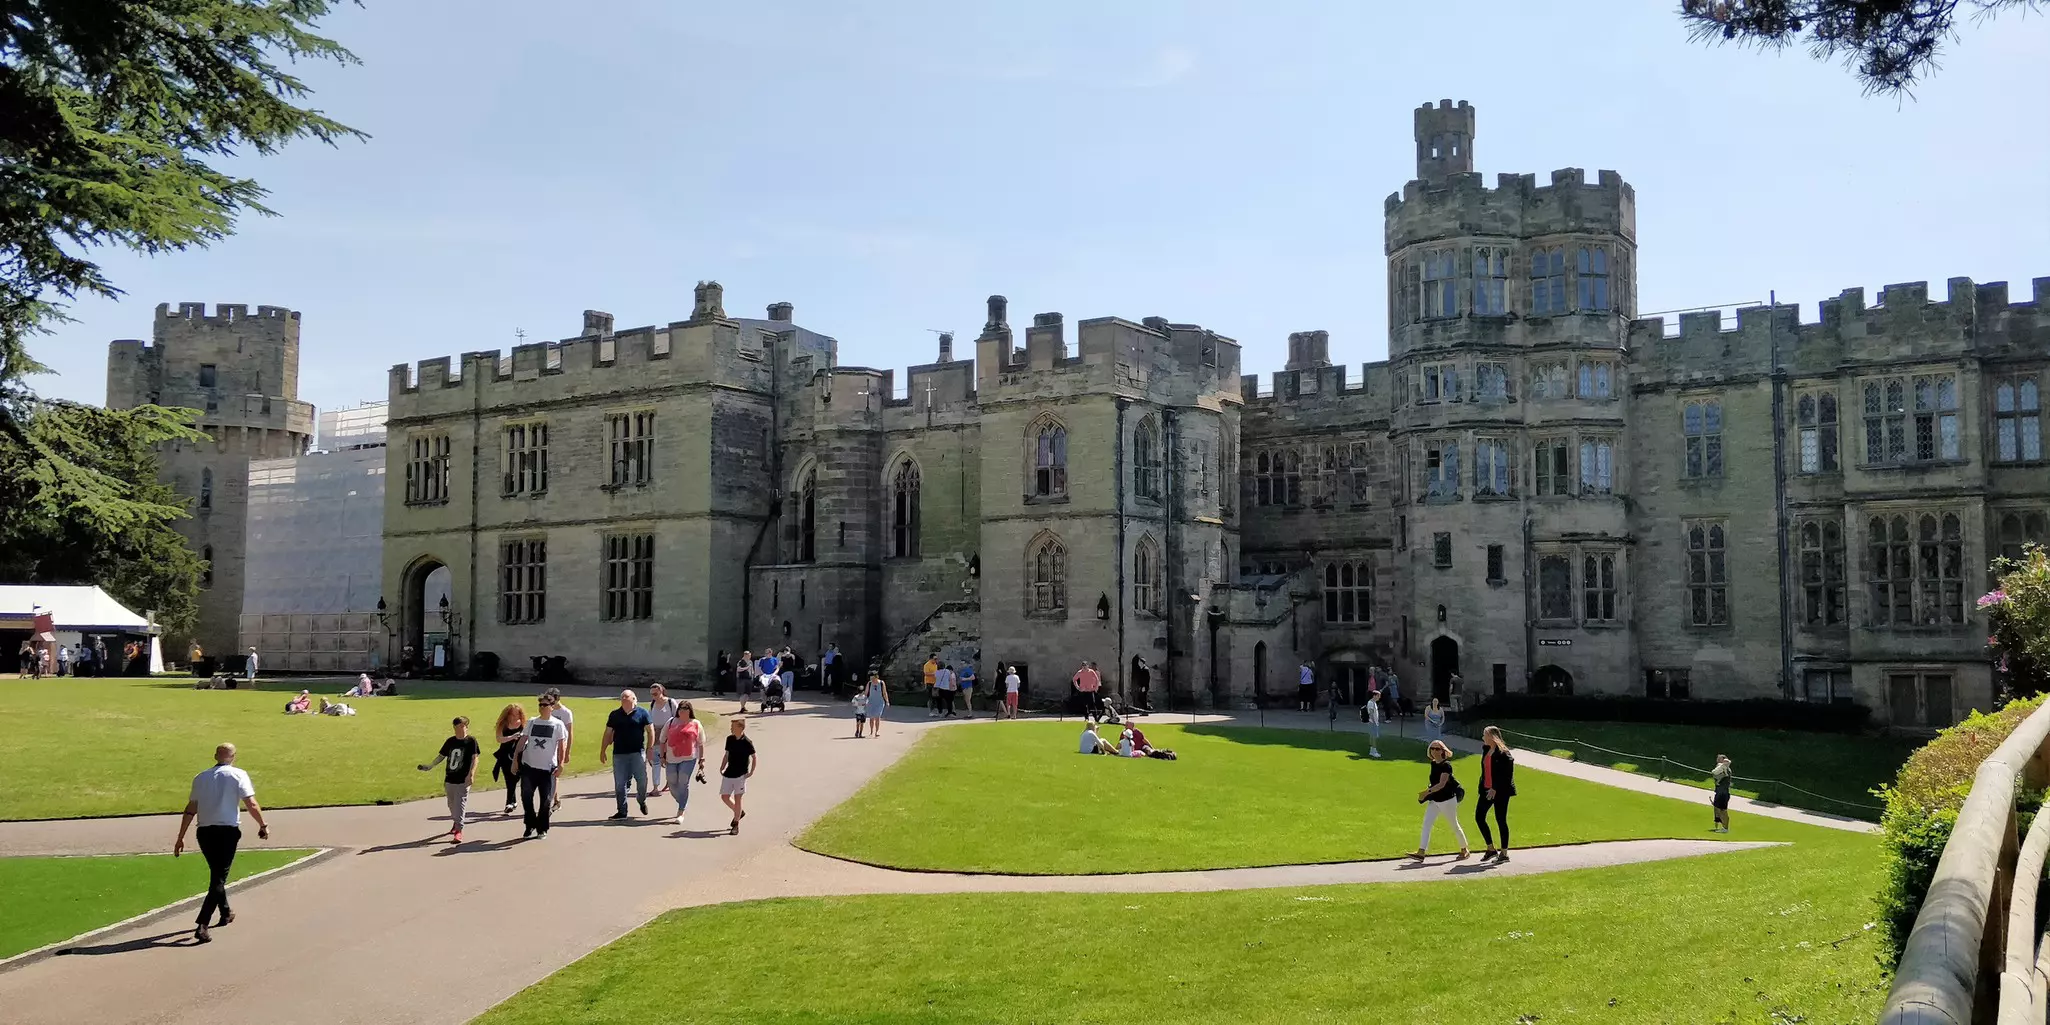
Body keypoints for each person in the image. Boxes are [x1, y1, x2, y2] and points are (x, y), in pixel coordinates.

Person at [173, 743, 270, 943]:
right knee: (218, 878)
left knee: (217, 874)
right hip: (227, 832)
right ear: (233, 757)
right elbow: (251, 803)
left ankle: (225, 912)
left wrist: (180, 836)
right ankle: (202, 923)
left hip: (204, 832)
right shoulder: (238, 775)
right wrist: (262, 825)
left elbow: (191, 808)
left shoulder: (201, 777)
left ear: (215, 756)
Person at [418, 716, 481, 843]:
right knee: (451, 804)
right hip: (450, 778)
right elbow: (441, 756)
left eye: (463, 726)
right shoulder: (450, 741)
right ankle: (456, 822)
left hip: (463, 779)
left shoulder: (471, 741)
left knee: (460, 804)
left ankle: (459, 830)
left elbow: (475, 758)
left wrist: (471, 774)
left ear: (466, 727)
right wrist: (430, 766)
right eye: (458, 727)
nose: (460, 729)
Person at [515, 693, 568, 839]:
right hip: (529, 767)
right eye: (540, 705)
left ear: (552, 707)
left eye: (545, 705)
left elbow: (561, 746)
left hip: (547, 769)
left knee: (546, 801)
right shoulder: (532, 722)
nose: (542, 707)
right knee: (526, 797)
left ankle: (542, 828)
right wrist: (515, 761)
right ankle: (530, 824)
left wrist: (561, 764)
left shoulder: (558, 724)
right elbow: (522, 741)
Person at [1411, 739, 1470, 861]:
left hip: (1447, 800)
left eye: (1437, 749)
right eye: (1432, 748)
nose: (1434, 751)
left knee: (1454, 825)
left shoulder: (1446, 765)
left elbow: (1441, 784)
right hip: (1435, 800)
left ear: (1443, 751)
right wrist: (1429, 792)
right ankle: (1421, 851)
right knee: (1427, 824)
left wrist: (1426, 792)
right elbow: (1434, 782)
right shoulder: (1433, 763)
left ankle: (1464, 849)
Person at [599, 689, 653, 819]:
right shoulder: (615, 715)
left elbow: (650, 731)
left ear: (634, 699)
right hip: (619, 754)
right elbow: (607, 733)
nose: (623, 699)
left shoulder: (642, 713)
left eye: (626, 697)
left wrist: (649, 749)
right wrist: (603, 750)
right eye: (622, 697)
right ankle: (622, 811)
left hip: (637, 753)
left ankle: (641, 800)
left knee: (642, 781)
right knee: (620, 783)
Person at [660, 699, 706, 825]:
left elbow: (701, 743)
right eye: (680, 710)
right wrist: (662, 756)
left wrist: (702, 759)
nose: (682, 713)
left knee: (683, 782)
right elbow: (662, 740)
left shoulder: (695, 723)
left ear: (690, 711)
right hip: (671, 758)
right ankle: (682, 800)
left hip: (689, 758)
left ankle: (681, 811)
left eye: (685, 710)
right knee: (672, 782)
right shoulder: (671, 722)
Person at [1475, 725, 1517, 862]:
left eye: (1485, 734)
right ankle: (1491, 848)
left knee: (1501, 819)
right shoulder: (1486, 750)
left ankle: (1504, 853)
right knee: (1479, 817)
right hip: (1486, 790)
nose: (1483, 737)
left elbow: (1507, 775)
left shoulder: (1504, 754)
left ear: (1492, 737)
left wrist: (1495, 788)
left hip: (1501, 791)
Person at [718, 717, 757, 835]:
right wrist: (722, 766)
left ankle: (736, 824)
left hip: (741, 775)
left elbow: (754, 757)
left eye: (733, 727)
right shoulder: (729, 739)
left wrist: (751, 772)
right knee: (724, 797)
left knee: (738, 798)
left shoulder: (747, 742)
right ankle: (739, 812)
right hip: (729, 773)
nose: (731, 728)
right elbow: (726, 755)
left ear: (740, 727)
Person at [493, 703, 528, 814]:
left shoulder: (524, 724)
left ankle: (512, 802)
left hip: (519, 754)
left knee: (516, 778)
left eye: (517, 715)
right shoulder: (503, 724)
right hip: (505, 754)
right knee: (509, 778)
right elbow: (499, 739)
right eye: (512, 714)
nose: (514, 717)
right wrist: (512, 737)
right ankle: (510, 802)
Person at [646, 684, 680, 797]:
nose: (653, 696)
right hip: (656, 734)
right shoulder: (652, 704)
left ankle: (670, 782)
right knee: (655, 761)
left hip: (669, 734)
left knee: (669, 760)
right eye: (652, 694)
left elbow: (678, 718)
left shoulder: (670, 702)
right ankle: (655, 787)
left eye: (655, 694)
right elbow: (649, 721)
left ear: (661, 691)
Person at [545, 686, 574, 814]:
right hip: (548, 746)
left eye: (550, 699)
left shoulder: (565, 713)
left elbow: (570, 733)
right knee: (550, 774)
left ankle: (551, 802)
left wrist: (567, 752)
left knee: (554, 774)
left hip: (560, 746)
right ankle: (556, 801)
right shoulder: (548, 710)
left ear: (556, 698)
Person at [1711, 754, 1734, 833]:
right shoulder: (1722, 768)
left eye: (1719, 758)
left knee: (1723, 811)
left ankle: (1725, 828)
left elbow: (1715, 773)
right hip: (1721, 792)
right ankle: (1724, 827)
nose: (1717, 760)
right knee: (1721, 810)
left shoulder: (1724, 768)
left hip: (1722, 792)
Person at [863, 672, 889, 737]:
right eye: (871, 678)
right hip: (871, 702)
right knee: (871, 717)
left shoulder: (881, 683)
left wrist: (887, 701)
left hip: (880, 702)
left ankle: (877, 732)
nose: (872, 679)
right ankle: (871, 731)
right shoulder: (869, 683)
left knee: (877, 717)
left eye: (873, 678)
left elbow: (884, 692)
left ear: (876, 677)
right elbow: (866, 693)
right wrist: (863, 700)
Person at [1363, 688, 1384, 759]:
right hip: (1373, 723)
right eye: (1378, 696)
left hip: (1374, 722)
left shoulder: (1374, 703)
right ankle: (1374, 752)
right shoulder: (1371, 703)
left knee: (1372, 736)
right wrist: (1375, 722)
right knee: (1374, 737)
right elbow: (1371, 714)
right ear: (1374, 696)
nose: (1379, 698)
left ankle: (1372, 750)